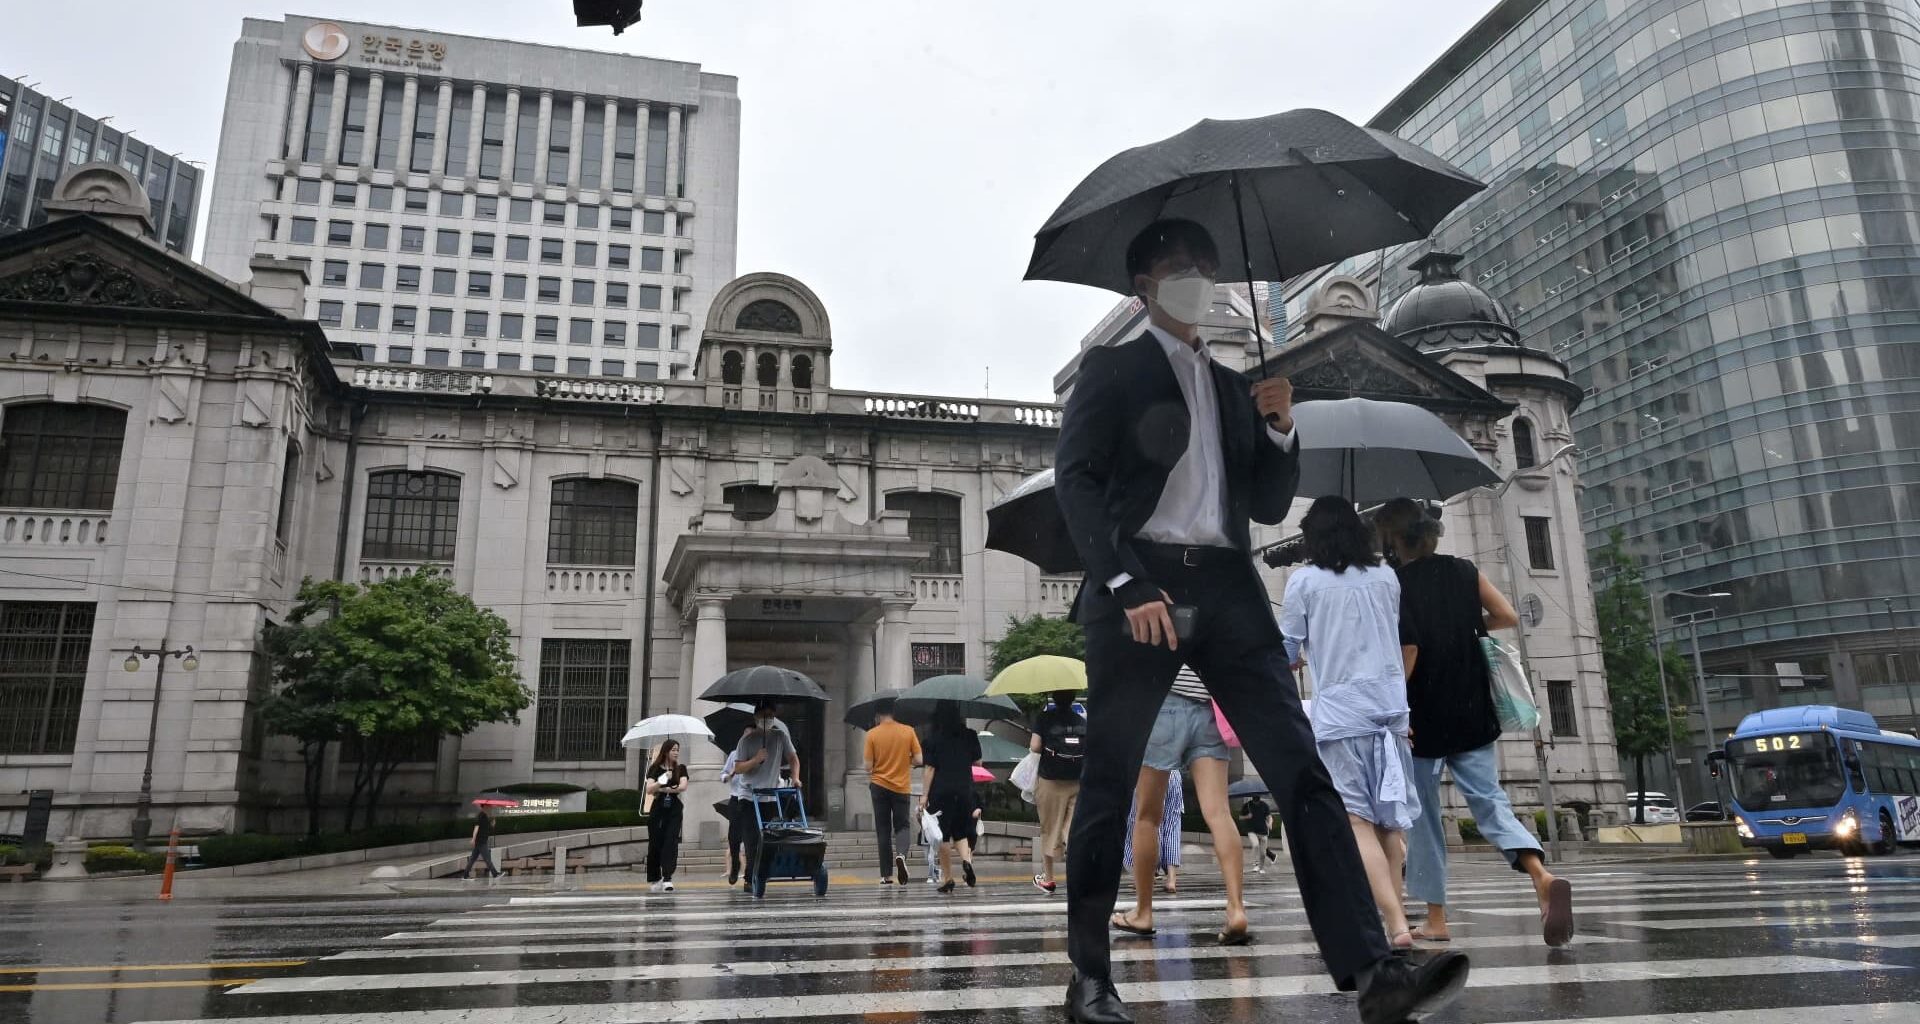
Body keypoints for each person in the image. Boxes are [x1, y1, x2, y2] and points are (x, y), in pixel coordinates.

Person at [1053, 217, 1469, 1024]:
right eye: (1180, 268)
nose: (1196, 280)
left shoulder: (1235, 385)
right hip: (1140, 585)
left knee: (1301, 771)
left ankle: (1375, 972)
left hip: (1229, 589)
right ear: (1144, 287)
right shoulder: (1115, 370)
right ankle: (1092, 980)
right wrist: (1121, 582)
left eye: (1206, 267)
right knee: (1108, 784)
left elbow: (1273, 502)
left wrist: (1280, 426)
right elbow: (1076, 480)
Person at [1375, 497, 1574, 947]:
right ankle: (1540, 875)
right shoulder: (1465, 571)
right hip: (1472, 710)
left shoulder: (1395, 583)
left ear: (1393, 541)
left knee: (1423, 819)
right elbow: (1505, 616)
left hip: (1422, 717)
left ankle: (1437, 920)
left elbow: (1409, 650)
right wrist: (1466, 623)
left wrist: (1393, 703)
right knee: (1490, 803)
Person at [1281, 496, 1420, 951]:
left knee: (1357, 820)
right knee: (1390, 823)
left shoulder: (1302, 581)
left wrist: (1298, 659)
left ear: (1312, 539)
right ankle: (1397, 920)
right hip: (1391, 710)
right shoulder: (1387, 578)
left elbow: (1287, 649)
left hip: (1341, 715)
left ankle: (1395, 923)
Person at [1112, 666, 1254, 944]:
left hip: (1163, 702)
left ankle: (1143, 912)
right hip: (1209, 709)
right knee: (1219, 812)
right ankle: (1236, 908)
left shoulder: (1155, 618)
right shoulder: (1218, 619)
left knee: (1148, 817)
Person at [729, 701, 800, 894]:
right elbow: (738, 768)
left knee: (767, 839)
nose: (767, 719)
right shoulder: (746, 741)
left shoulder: (780, 736)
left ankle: (760, 872)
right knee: (751, 839)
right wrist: (756, 760)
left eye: (771, 716)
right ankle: (751, 877)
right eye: (763, 716)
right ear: (756, 717)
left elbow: (793, 758)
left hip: (770, 796)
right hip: (748, 796)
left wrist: (795, 778)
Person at [920, 704, 983, 893]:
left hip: (941, 791)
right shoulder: (970, 735)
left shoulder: (933, 740)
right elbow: (978, 762)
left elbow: (930, 769)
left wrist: (924, 796)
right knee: (961, 831)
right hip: (965, 789)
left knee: (943, 835)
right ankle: (966, 861)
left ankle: (948, 879)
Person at [1030, 690, 1086, 894]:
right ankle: (1078, 878)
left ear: (1054, 698)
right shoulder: (1081, 720)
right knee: (1071, 830)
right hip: (1076, 780)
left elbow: (1035, 747)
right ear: (1072, 699)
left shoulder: (1044, 718)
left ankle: (1049, 878)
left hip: (1050, 780)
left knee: (1050, 828)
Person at [863, 697, 923, 886]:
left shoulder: (872, 734)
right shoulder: (908, 731)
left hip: (879, 786)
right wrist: (906, 759)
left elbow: (867, 766)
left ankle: (886, 875)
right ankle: (901, 856)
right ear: (893, 713)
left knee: (883, 830)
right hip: (901, 786)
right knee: (903, 826)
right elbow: (920, 759)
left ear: (878, 715)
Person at [644, 739, 690, 892]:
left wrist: (666, 789)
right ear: (665, 751)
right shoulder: (655, 768)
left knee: (671, 841)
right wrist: (662, 781)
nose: (676, 752)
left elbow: (683, 786)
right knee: (656, 843)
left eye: (678, 749)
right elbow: (649, 789)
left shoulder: (681, 768)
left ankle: (668, 878)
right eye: (673, 750)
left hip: (674, 809)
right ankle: (655, 878)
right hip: (658, 808)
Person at [1240, 793, 1276, 872]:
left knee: (1263, 853)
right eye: (1255, 797)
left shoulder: (1264, 805)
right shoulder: (1247, 805)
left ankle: (1261, 868)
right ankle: (1255, 864)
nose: (1256, 798)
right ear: (1252, 797)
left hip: (1263, 831)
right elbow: (1240, 817)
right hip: (1251, 830)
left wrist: (1270, 823)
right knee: (1255, 844)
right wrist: (1247, 816)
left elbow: (1269, 817)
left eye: (1258, 797)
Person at [462, 805, 500, 880]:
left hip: (482, 841)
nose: (490, 808)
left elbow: (487, 828)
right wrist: (473, 839)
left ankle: (465, 875)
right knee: (487, 859)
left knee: (472, 859)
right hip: (481, 841)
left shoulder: (486, 816)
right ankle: (495, 874)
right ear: (484, 807)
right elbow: (476, 827)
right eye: (488, 806)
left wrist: (493, 824)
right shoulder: (481, 816)